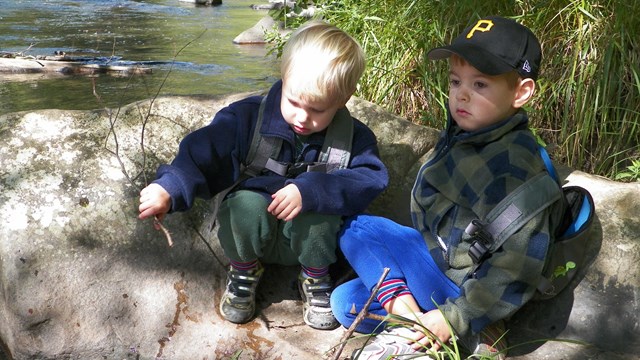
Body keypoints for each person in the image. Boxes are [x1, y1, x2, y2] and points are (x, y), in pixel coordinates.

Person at [330, 15, 565, 358]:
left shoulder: (515, 167)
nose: (462, 96)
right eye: (456, 82)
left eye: (480, 85)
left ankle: (447, 331)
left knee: (360, 227)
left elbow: (516, 269)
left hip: (467, 291)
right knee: (344, 303)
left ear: (522, 92)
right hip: (442, 268)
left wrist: (455, 317)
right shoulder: (469, 136)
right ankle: (425, 328)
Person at [137, 20, 388, 331]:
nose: (302, 117)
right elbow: (204, 152)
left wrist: (312, 192)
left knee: (320, 214)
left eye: (317, 110)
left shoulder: (355, 138)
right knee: (243, 205)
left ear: (343, 100)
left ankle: (314, 276)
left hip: (310, 245)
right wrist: (169, 187)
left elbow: (370, 179)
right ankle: (244, 272)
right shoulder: (246, 118)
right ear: (283, 79)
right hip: (254, 232)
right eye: (294, 101)